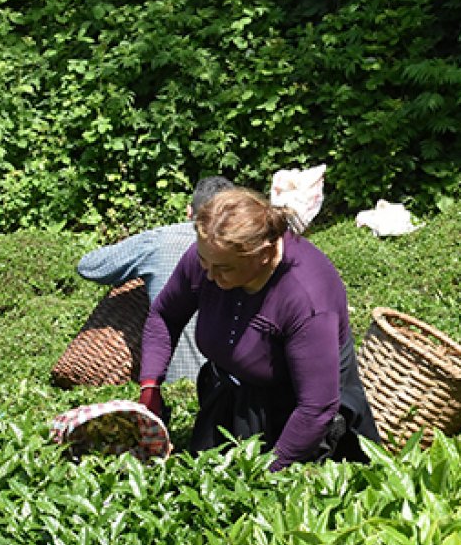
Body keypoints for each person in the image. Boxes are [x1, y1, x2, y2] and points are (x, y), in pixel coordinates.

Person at [136, 188, 381, 470]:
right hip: (231, 393)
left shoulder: (306, 299)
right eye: (204, 262)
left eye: (224, 269)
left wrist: (269, 473)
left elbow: (316, 408)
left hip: (297, 420)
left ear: (263, 255)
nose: (210, 276)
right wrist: (150, 386)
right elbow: (166, 314)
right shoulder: (212, 255)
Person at [77, 176, 235, 384]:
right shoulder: (249, 251)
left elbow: (89, 266)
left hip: (174, 384)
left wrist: (143, 274)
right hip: (236, 386)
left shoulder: (161, 241)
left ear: (189, 212)